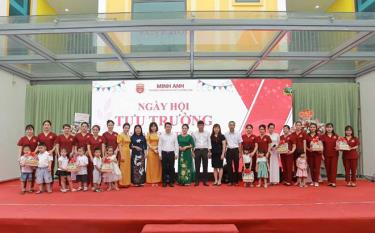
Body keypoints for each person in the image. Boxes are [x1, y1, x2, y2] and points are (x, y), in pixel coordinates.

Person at [158, 122, 179, 187]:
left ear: (171, 127)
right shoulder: (162, 135)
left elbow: (176, 145)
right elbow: (159, 145)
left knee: (171, 168)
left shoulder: (174, 135)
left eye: (169, 127)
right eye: (167, 127)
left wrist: (176, 153)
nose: (168, 128)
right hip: (164, 153)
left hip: (171, 153)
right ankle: (164, 182)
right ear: (165, 127)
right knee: (164, 168)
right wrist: (160, 154)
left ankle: (171, 182)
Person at [192, 120, 211, 186]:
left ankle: (205, 181)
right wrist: (192, 152)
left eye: (202, 125)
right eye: (199, 125)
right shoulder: (194, 133)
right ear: (197, 126)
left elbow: (209, 142)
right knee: (197, 166)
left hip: (205, 150)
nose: (200, 126)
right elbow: (193, 143)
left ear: (203, 126)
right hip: (197, 150)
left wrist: (209, 151)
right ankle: (197, 181)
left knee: (205, 166)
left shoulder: (207, 133)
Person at [320, 123, 339, 187]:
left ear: (332, 128)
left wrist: (339, 147)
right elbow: (321, 146)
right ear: (325, 128)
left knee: (333, 168)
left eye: (330, 127)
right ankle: (329, 181)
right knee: (328, 168)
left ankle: (333, 181)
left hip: (334, 154)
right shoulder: (323, 136)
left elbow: (339, 144)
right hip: (326, 154)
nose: (329, 129)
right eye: (327, 127)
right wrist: (322, 154)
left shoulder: (336, 136)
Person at [224, 121, 243, 186]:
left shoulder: (238, 133)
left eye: (233, 125)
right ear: (228, 126)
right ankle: (230, 181)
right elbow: (225, 143)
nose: (231, 126)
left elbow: (240, 143)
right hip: (228, 150)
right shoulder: (226, 134)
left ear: (234, 126)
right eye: (230, 125)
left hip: (236, 150)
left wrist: (240, 153)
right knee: (229, 166)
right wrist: (224, 152)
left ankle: (236, 181)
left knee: (236, 166)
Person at [306, 123, 323, 187]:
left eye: (314, 127)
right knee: (311, 167)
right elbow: (305, 145)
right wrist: (308, 149)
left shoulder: (319, 135)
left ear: (316, 128)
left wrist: (320, 149)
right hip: (310, 153)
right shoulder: (307, 135)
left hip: (317, 154)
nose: (312, 128)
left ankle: (316, 181)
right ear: (309, 128)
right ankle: (313, 181)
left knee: (317, 167)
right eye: (311, 127)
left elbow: (321, 145)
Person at [117, 123, 131, 187]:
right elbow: (119, 145)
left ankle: (127, 182)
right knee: (122, 168)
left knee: (127, 168)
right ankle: (121, 183)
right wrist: (121, 155)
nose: (127, 129)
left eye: (128, 128)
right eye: (125, 127)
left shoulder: (127, 135)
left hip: (128, 152)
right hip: (123, 152)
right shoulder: (120, 135)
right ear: (123, 128)